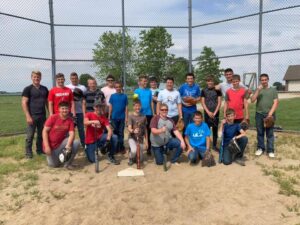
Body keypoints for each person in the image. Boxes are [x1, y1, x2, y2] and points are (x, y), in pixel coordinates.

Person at [42, 101, 80, 169]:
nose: (64, 110)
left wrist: (68, 146)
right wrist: (47, 146)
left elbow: (72, 133)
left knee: (76, 142)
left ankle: (67, 164)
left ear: (69, 109)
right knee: (54, 165)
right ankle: (58, 157)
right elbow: (44, 131)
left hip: (61, 144)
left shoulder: (70, 120)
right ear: (59, 109)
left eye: (66, 108)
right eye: (62, 108)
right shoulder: (53, 118)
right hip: (51, 147)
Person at [22, 70, 49, 158]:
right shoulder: (28, 89)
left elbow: (47, 102)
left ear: (40, 78)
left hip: (42, 116)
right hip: (32, 116)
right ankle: (28, 154)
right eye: (34, 77)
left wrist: (50, 114)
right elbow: (24, 103)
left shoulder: (44, 89)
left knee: (41, 135)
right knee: (30, 136)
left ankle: (40, 150)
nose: (36, 78)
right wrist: (27, 116)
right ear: (31, 78)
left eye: (38, 77)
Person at [251, 73, 279, 158]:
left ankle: (270, 150)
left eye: (265, 80)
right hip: (259, 114)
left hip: (270, 114)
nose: (264, 81)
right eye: (262, 80)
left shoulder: (273, 90)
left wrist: (270, 114)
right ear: (260, 81)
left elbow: (276, 102)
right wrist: (258, 90)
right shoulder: (258, 89)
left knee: (270, 133)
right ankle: (260, 148)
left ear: (268, 80)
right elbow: (252, 100)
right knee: (260, 132)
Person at [84, 100, 119, 165]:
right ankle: (88, 149)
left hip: (100, 138)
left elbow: (109, 129)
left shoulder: (103, 117)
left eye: (100, 107)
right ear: (94, 107)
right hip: (90, 140)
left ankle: (110, 155)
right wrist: (93, 121)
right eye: (97, 107)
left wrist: (108, 140)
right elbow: (85, 122)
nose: (99, 108)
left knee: (114, 137)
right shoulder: (89, 114)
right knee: (93, 160)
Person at [201, 75, 222, 151]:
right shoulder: (204, 90)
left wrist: (215, 112)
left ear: (214, 82)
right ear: (206, 82)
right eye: (208, 81)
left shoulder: (218, 90)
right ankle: (207, 145)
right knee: (207, 129)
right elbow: (203, 102)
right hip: (207, 113)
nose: (210, 82)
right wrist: (208, 112)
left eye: (211, 81)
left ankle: (214, 145)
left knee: (215, 129)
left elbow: (219, 102)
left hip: (215, 113)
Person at [134, 75, 154, 155]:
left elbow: (151, 102)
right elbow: (135, 102)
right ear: (140, 82)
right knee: (140, 131)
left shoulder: (149, 91)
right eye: (143, 81)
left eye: (146, 81)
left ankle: (149, 148)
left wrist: (153, 112)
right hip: (140, 114)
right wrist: (136, 112)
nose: (145, 82)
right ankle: (139, 147)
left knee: (148, 131)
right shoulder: (136, 91)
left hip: (148, 114)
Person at [66, 72, 87, 147]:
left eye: (75, 78)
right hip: (70, 113)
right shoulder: (67, 87)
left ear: (78, 79)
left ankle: (83, 144)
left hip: (80, 112)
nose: (74, 80)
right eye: (72, 78)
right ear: (70, 79)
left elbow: (84, 101)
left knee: (81, 129)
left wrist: (84, 114)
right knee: (70, 130)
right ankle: (68, 144)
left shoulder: (83, 87)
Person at [109, 81, 128, 154]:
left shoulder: (124, 96)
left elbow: (126, 107)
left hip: (122, 117)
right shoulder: (112, 96)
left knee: (121, 133)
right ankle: (116, 147)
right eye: (116, 87)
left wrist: (126, 117)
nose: (118, 88)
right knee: (115, 133)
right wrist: (109, 116)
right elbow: (110, 106)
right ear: (115, 88)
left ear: (121, 87)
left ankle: (121, 147)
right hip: (114, 118)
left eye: (119, 87)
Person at [127, 100, 148, 166]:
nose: (137, 108)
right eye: (136, 106)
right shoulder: (130, 116)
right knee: (134, 151)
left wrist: (146, 141)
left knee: (140, 159)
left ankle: (135, 155)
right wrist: (133, 131)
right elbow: (129, 128)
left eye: (139, 106)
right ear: (133, 107)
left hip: (140, 139)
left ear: (141, 107)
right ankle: (130, 157)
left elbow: (145, 129)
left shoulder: (144, 117)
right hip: (132, 138)